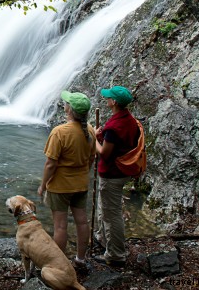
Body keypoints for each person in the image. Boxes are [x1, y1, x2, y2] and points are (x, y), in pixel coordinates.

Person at [37, 90, 96, 268]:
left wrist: (43, 186)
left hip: (60, 186)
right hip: (81, 184)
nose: (64, 104)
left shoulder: (59, 132)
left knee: (60, 226)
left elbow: (50, 164)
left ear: (68, 110)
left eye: (66, 103)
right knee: (82, 221)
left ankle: (58, 264)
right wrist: (83, 173)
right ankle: (80, 259)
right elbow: (91, 158)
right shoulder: (91, 130)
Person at [93, 85, 140, 268]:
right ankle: (105, 240)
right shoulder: (129, 120)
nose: (106, 100)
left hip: (112, 174)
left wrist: (94, 140)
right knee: (107, 210)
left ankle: (116, 255)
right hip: (122, 171)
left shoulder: (114, 126)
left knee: (112, 215)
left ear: (114, 102)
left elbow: (104, 153)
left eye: (108, 98)